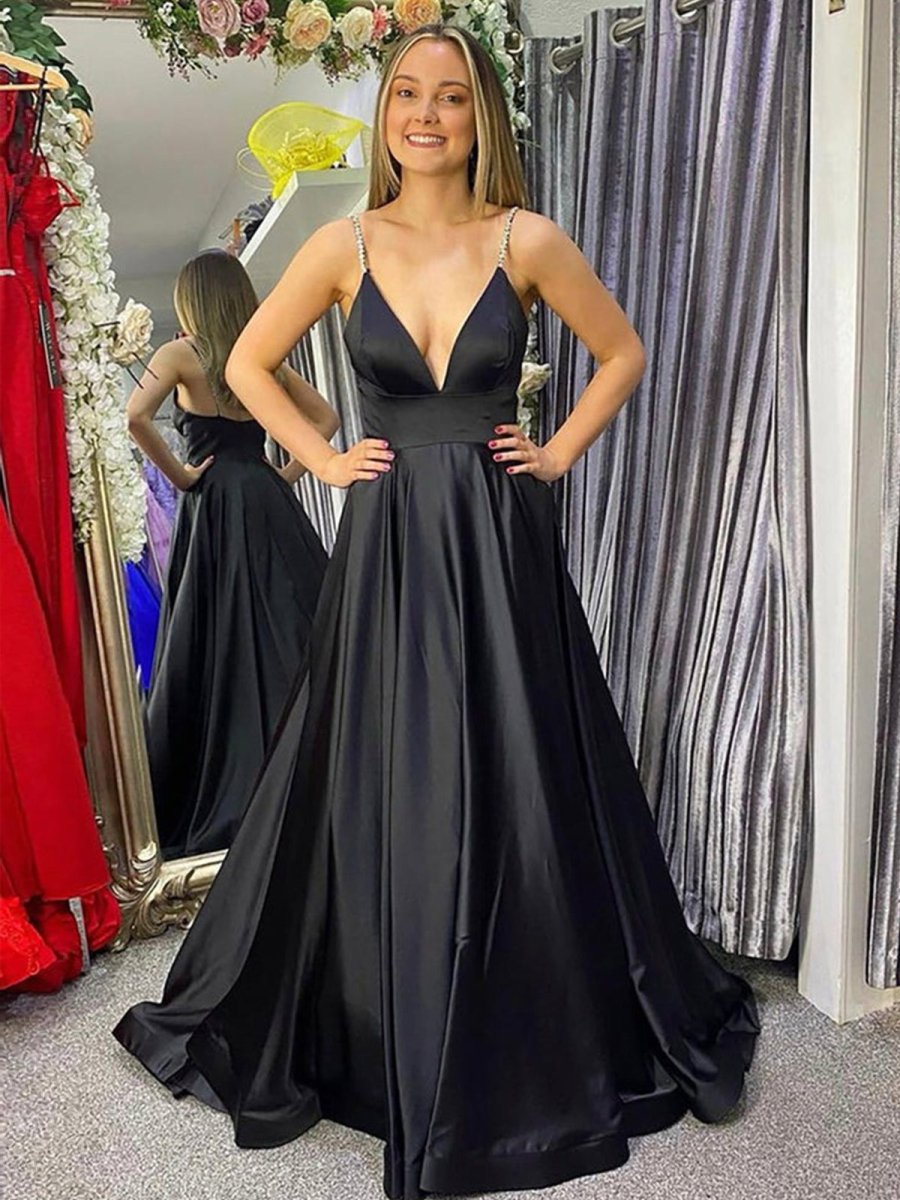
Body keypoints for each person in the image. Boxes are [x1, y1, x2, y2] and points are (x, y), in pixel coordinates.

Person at [114, 26, 759, 1198]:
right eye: (406, 93)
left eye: (450, 97)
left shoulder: (526, 239)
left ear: (481, 117)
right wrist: (322, 455)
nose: (424, 114)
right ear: (386, 116)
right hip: (390, 540)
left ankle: (532, 991)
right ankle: (382, 994)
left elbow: (621, 353)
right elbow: (249, 364)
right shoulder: (342, 243)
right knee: (384, 756)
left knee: (520, 753)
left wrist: (554, 452)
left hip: (498, 539)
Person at [125, 250, 335, 857]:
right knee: (293, 630)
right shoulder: (263, 355)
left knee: (214, 640)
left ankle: (236, 777)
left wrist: (182, 476)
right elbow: (326, 419)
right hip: (266, 500)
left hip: (214, 503)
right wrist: (283, 476)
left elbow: (136, 416)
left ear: (189, 300)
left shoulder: (179, 355)